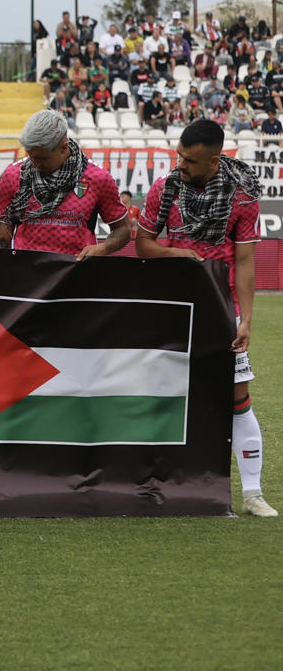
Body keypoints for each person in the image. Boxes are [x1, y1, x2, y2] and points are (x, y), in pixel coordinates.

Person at [91, 119, 272, 517]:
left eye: (190, 160)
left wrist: (245, 320)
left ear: (215, 160)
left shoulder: (243, 196)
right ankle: (143, 485)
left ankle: (254, 493)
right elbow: (143, 244)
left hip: (219, 306)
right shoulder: (164, 188)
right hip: (168, 305)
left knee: (237, 398)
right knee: (151, 394)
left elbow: (244, 262)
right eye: (179, 156)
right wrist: (177, 254)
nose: (181, 165)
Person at [0, 109, 132, 255]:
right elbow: (1, 238)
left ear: (64, 148)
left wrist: (103, 248)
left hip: (76, 272)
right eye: (30, 156)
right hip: (27, 273)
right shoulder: (14, 175)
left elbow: (124, 229)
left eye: (42, 158)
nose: (34, 163)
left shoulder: (97, 177)